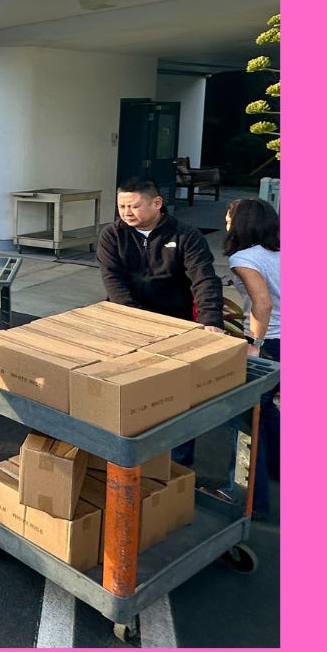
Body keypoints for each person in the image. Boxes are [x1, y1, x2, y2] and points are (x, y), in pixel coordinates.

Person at [97, 176, 224, 466]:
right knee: (128, 392)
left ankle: (178, 463)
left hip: (175, 324)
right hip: (128, 323)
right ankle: (125, 456)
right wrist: (138, 322)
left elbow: (204, 279)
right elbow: (113, 282)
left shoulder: (185, 235)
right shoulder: (112, 235)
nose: (126, 213)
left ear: (157, 203)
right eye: (121, 206)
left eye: (134, 206)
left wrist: (211, 321)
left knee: (176, 396)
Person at [214, 197, 281, 518]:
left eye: (229, 218)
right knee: (266, 409)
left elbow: (263, 304)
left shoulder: (243, 257)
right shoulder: (280, 251)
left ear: (239, 223)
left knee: (246, 419)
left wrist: (254, 343)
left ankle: (250, 501)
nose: (226, 223)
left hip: (270, 341)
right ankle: (277, 469)